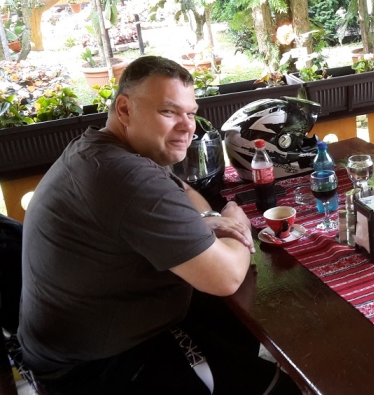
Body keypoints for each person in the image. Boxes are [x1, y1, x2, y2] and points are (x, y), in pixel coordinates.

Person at [18, 56, 300, 394]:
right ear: (124, 109)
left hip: (85, 339)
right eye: (169, 112)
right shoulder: (124, 176)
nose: (186, 126)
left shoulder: (101, 148)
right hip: (94, 368)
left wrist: (208, 219)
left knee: (230, 328)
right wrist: (235, 220)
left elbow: (182, 189)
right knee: (279, 387)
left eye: (190, 113)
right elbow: (225, 278)